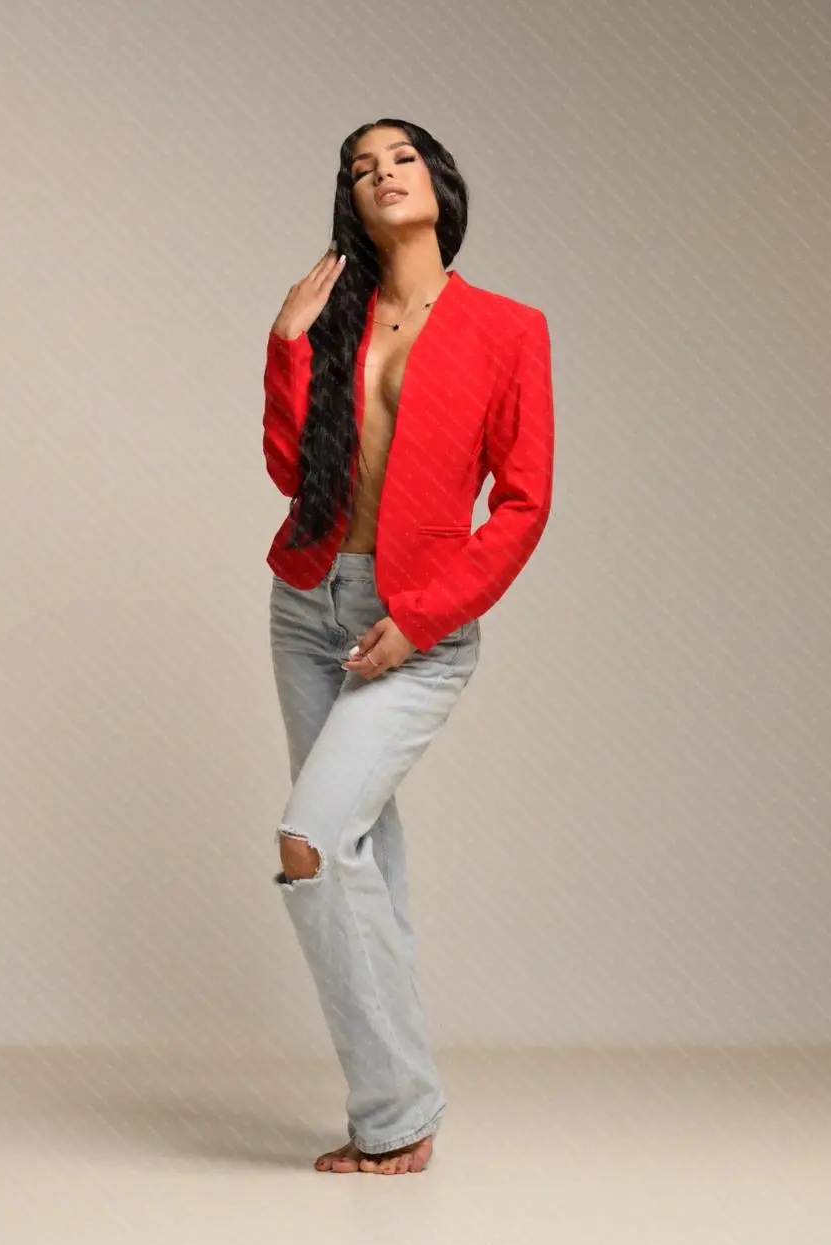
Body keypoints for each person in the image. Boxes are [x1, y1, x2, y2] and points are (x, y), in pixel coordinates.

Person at [263, 117, 555, 1174]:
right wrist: (288, 346)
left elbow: (522, 504)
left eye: (401, 158)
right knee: (357, 863)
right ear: (349, 200)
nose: (381, 173)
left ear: (438, 182)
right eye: (360, 168)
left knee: (311, 842)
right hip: (307, 605)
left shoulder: (508, 329)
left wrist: (423, 618)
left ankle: (396, 1115)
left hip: (415, 623)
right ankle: (399, 1106)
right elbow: (291, 472)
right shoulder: (337, 317)